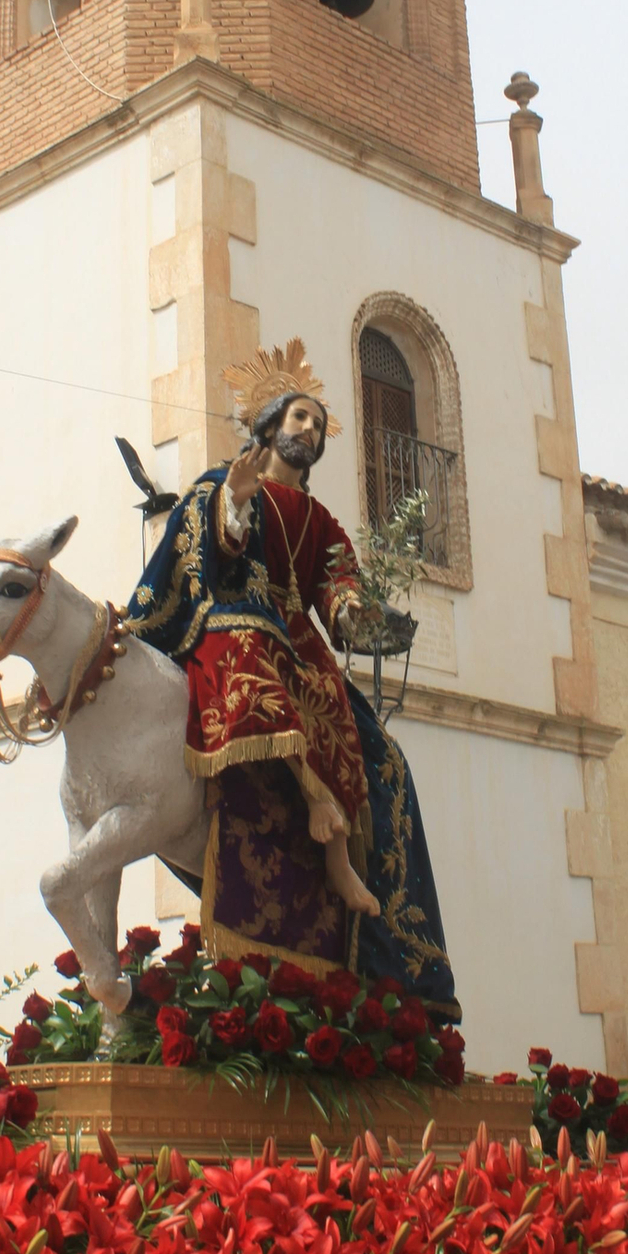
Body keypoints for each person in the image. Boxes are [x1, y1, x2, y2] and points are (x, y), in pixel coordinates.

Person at [121, 338, 455, 1006]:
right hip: (238, 624)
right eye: (296, 417)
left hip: (303, 649)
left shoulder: (322, 517)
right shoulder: (227, 480)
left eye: (315, 422)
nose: (307, 429)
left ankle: (392, 952)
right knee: (249, 646)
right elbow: (203, 552)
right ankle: (315, 810)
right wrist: (234, 508)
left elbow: (335, 581)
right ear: (270, 425)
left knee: (387, 761)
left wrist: (356, 613)